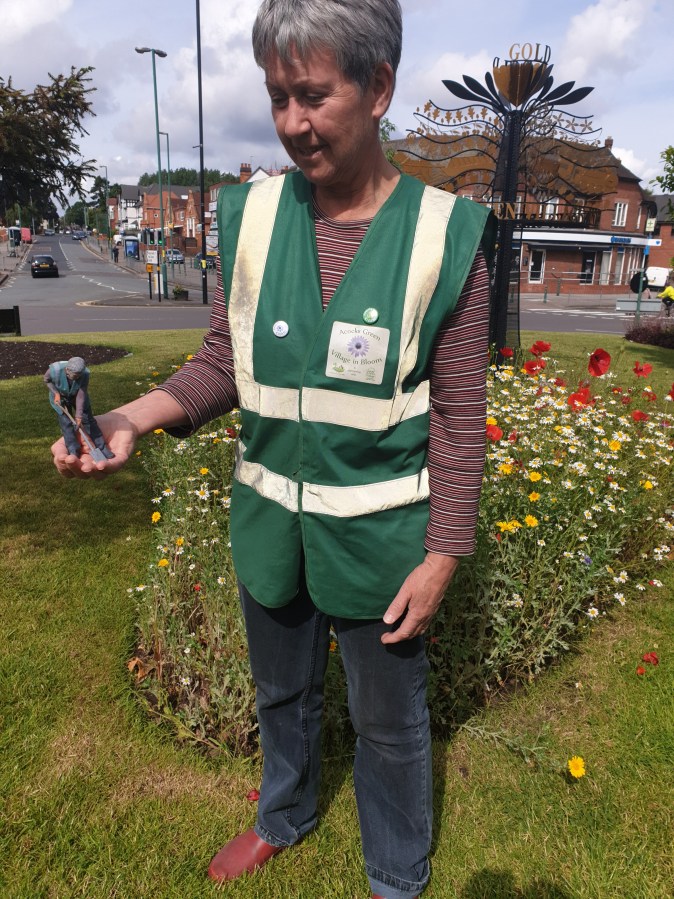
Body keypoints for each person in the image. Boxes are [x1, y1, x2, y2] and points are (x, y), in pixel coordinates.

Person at [50, 1, 494, 895]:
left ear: (378, 87)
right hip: (269, 530)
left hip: (381, 543)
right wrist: (130, 417)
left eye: (313, 96)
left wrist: (445, 552)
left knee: (390, 723)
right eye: (276, 96)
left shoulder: (445, 235)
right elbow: (226, 361)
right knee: (281, 696)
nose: (291, 123)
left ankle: (396, 871)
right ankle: (283, 815)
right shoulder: (249, 215)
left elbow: (457, 411)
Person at [45, 357, 114, 459]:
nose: (76, 377)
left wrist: (78, 416)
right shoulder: (54, 370)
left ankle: (102, 447)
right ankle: (73, 450)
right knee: (66, 423)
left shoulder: (85, 374)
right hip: (60, 399)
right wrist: (56, 393)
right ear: (67, 370)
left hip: (77, 395)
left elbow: (81, 395)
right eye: (74, 375)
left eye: (78, 375)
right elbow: (47, 380)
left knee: (88, 421)